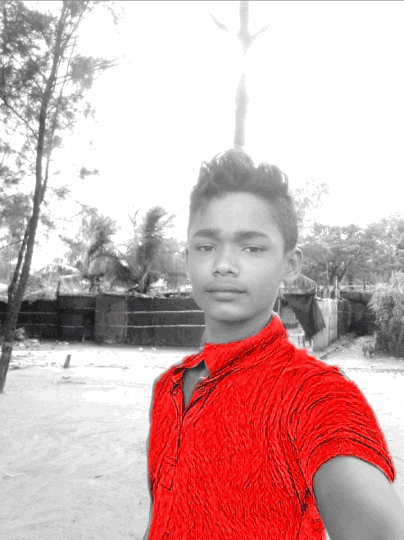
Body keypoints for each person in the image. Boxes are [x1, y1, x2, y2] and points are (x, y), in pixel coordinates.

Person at [143, 149, 404, 539]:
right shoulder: (168, 389)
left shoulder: (314, 396)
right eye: (206, 246)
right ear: (187, 259)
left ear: (290, 265)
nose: (223, 264)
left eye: (252, 247)